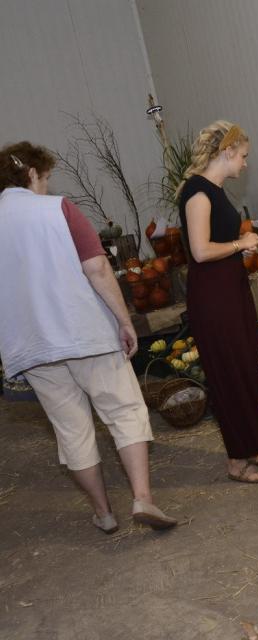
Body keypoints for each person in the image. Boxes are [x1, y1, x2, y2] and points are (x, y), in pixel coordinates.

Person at [0, 141, 177, 534]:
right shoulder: (58, 209)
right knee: (124, 410)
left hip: (34, 348)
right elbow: (97, 268)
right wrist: (124, 320)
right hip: (84, 333)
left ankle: (103, 513)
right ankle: (142, 498)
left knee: (71, 430)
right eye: (46, 178)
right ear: (32, 173)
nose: (47, 186)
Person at [176, 120, 258, 484]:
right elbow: (200, 251)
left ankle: (256, 448)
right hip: (213, 295)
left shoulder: (216, 190)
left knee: (246, 367)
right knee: (229, 373)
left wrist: (239, 245)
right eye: (243, 156)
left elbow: (215, 242)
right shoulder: (197, 193)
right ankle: (237, 461)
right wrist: (240, 244)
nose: (245, 163)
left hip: (230, 288)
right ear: (226, 152)